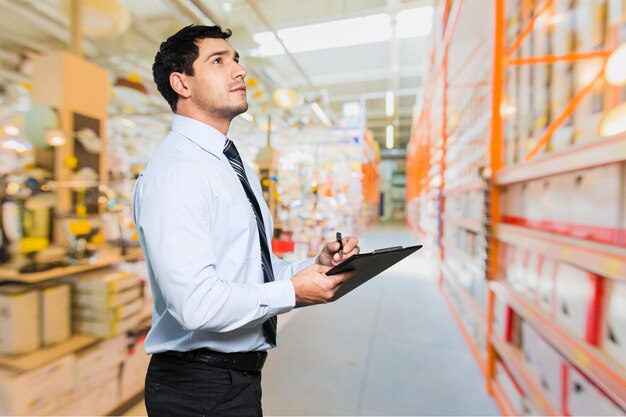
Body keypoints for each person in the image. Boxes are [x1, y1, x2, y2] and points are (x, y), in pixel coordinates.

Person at [132, 24, 360, 417]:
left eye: (236, 59)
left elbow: (248, 269)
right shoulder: (176, 173)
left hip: (234, 381)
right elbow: (197, 306)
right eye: (218, 61)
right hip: (196, 389)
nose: (239, 70)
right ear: (181, 84)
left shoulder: (229, 164)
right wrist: (291, 292)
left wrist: (312, 268)